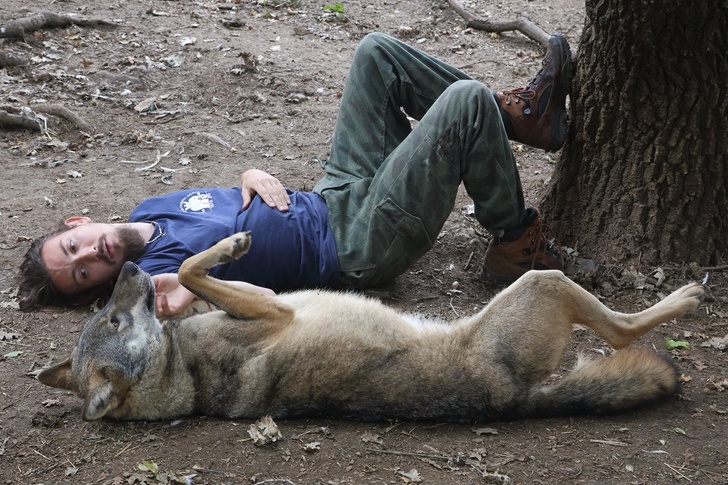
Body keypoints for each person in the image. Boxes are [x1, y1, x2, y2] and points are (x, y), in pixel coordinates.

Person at [18, 32, 592, 316]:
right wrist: (186, 298)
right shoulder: (152, 280)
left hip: (334, 192)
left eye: (74, 247)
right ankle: (514, 240)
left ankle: (522, 120)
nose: (90, 257)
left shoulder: (149, 210)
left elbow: (229, 201)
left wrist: (248, 170)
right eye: (84, 275)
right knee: (464, 101)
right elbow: (258, 299)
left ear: (78, 220)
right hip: (358, 242)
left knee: (375, 54)